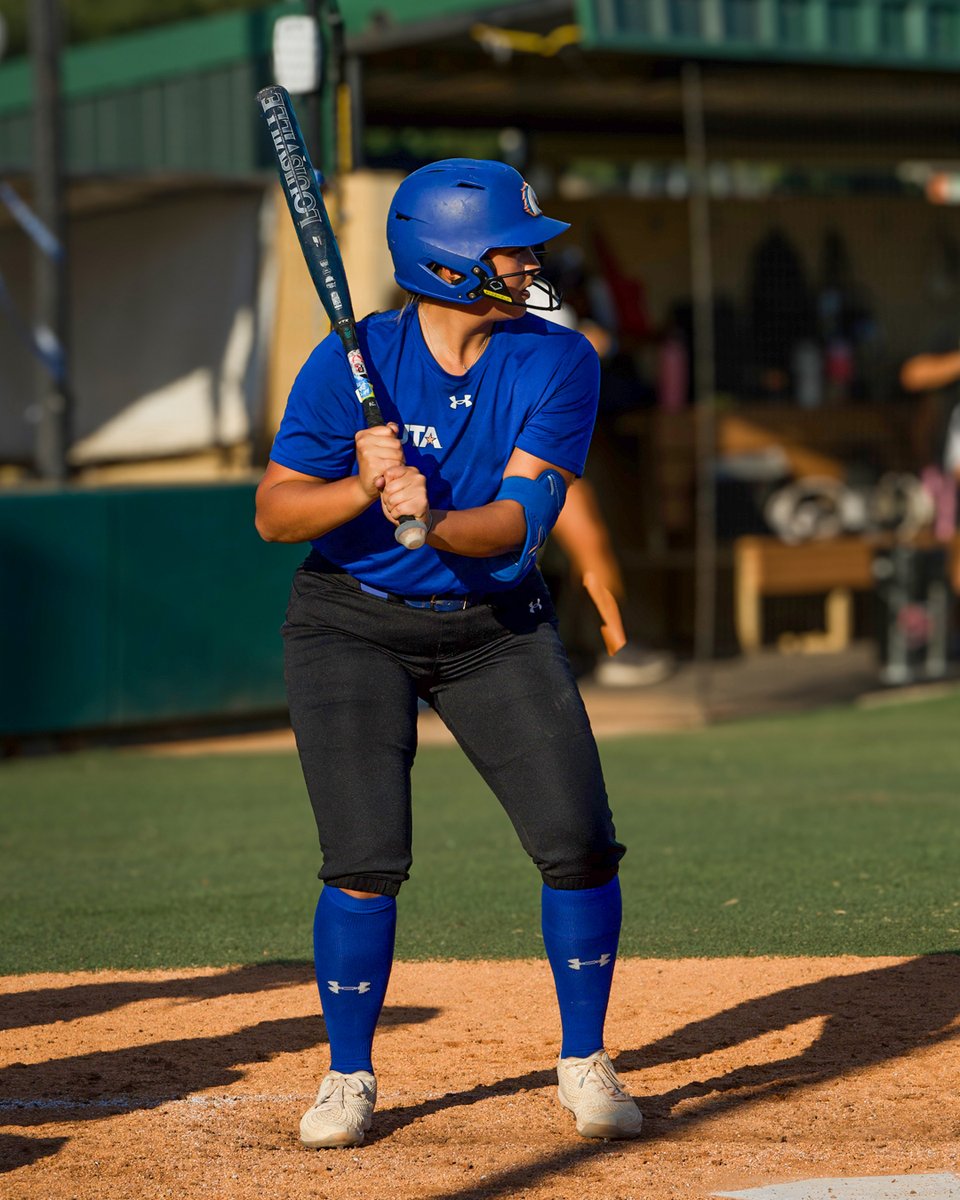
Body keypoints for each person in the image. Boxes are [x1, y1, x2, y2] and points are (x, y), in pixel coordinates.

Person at [255, 159, 643, 1149]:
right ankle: (348, 1075)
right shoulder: (355, 359)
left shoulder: (560, 361)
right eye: (515, 249)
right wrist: (359, 490)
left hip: (493, 625)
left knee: (579, 841)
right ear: (451, 263)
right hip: (349, 622)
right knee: (364, 861)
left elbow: (520, 524)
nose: (533, 262)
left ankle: (585, 1058)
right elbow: (273, 513)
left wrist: (435, 517)